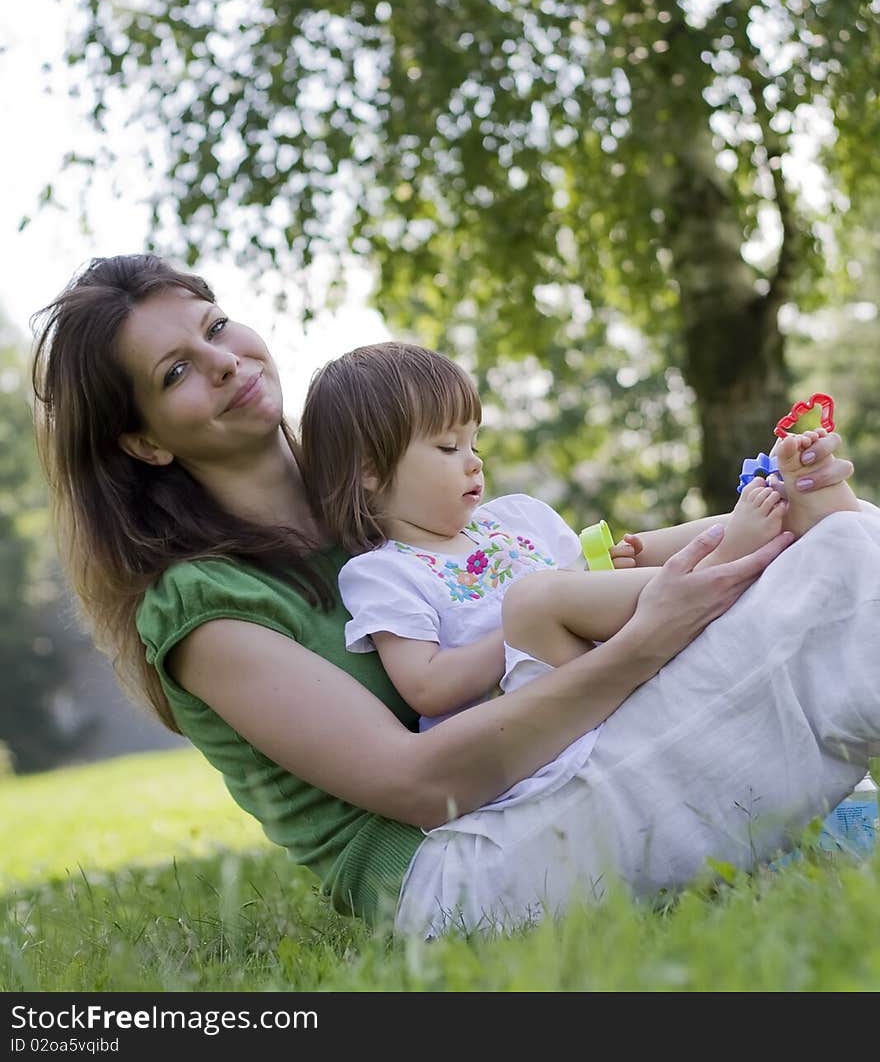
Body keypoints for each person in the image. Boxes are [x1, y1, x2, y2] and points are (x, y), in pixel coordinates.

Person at [31, 253, 879, 940]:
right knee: (841, 574)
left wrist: (763, 522)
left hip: (561, 777)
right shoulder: (201, 604)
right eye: (178, 368)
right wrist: (646, 639)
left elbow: (591, 575)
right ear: (141, 441)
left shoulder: (388, 503)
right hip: (465, 870)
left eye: (216, 327)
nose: (224, 362)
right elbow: (417, 785)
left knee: (829, 539)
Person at [299, 342, 801, 770]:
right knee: (538, 598)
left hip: (603, 662)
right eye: (448, 448)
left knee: (639, 546)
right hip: (531, 721)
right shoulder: (383, 572)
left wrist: (603, 574)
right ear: (370, 471)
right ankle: (716, 568)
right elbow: (427, 687)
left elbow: (580, 589)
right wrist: (522, 630)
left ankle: (762, 519)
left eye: (475, 441)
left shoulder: (517, 519)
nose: (474, 462)